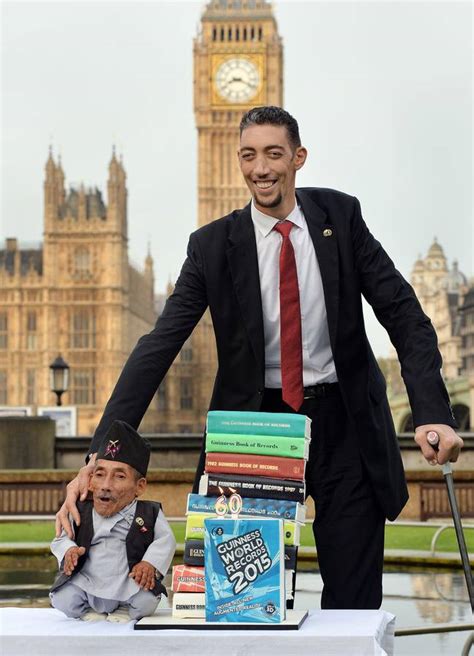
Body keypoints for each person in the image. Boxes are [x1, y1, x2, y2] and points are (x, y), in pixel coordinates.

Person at [56, 106, 463, 609]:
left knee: (354, 603)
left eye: (274, 154)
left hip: (346, 424)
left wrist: (432, 413)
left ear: (298, 157)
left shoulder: (341, 217)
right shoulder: (211, 246)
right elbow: (158, 346)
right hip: (255, 429)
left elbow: (404, 315)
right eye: (249, 156)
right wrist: (101, 453)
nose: (261, 168)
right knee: (241, 602)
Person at [50, 420, 176, 622]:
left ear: (140, 487)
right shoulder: (80, 511)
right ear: (90, 480)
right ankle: (87, 611)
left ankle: (125, 610)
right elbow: (60, 539)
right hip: (88, 581)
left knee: (146, 602)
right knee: (62, 598)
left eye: (119, 476)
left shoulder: (149, 513)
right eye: (99, 475)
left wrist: (149, 563)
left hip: (128, 583)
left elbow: (166, 541)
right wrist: (68, 551)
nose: (106, 485)